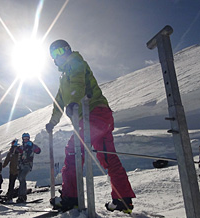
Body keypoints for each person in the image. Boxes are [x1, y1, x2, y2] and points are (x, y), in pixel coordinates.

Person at [46, 40, 136, 213]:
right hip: (100, 117)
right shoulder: (64, 78)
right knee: (108, 158)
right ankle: (123, 199)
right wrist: (52, 122)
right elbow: (58, 102)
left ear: (68, 50)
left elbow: (78, 83)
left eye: (60, 51)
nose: (58, 56)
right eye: (54, 54)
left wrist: (73, 101)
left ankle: (71, 198)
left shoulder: (75, 62)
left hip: (93, 114)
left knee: (73, 150)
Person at [16, 133, 41, 203]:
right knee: (20, 179)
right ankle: (21, 195)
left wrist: (33, 146)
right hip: (21, 165)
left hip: (28, 165)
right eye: (24, 138)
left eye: (27, 138)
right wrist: (16, 148)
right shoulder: (22, 147)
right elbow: (16, 151)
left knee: (22, 177)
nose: (26, 140)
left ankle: (23, 196)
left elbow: (38, 151)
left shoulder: (31, 146)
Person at [2, 139, 19, 203]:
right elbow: (7, 159)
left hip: (16, 170)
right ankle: (10, 196)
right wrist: (3, 165)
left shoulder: (18, 151)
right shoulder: (11, 152)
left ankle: (11, 196)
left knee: (12, 183)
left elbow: (7, 160)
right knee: (11, 183)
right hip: (13, 170)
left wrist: (4, 165)